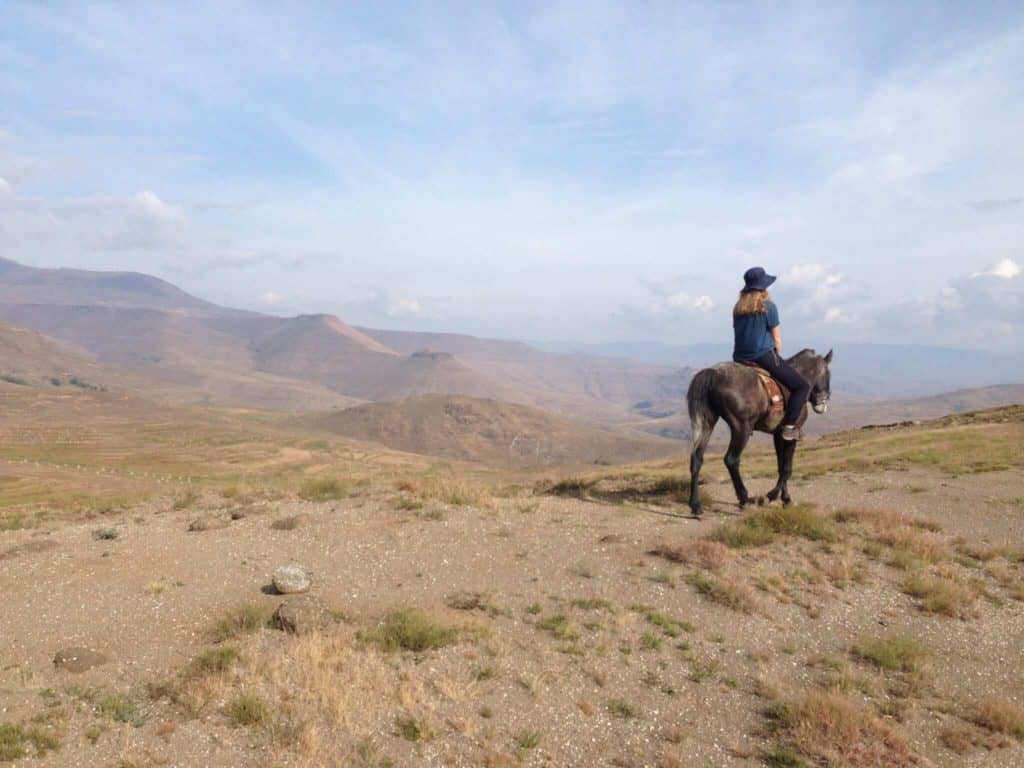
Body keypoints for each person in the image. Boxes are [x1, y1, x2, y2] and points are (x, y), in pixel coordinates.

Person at [732, 267, 810, 441]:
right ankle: (789, 427)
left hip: (739, 358)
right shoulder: (769, 307)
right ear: (763, 287)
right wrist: (777, 354)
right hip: (762, 356)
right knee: (801, 386)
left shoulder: (737, 308)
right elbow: (777, 339)